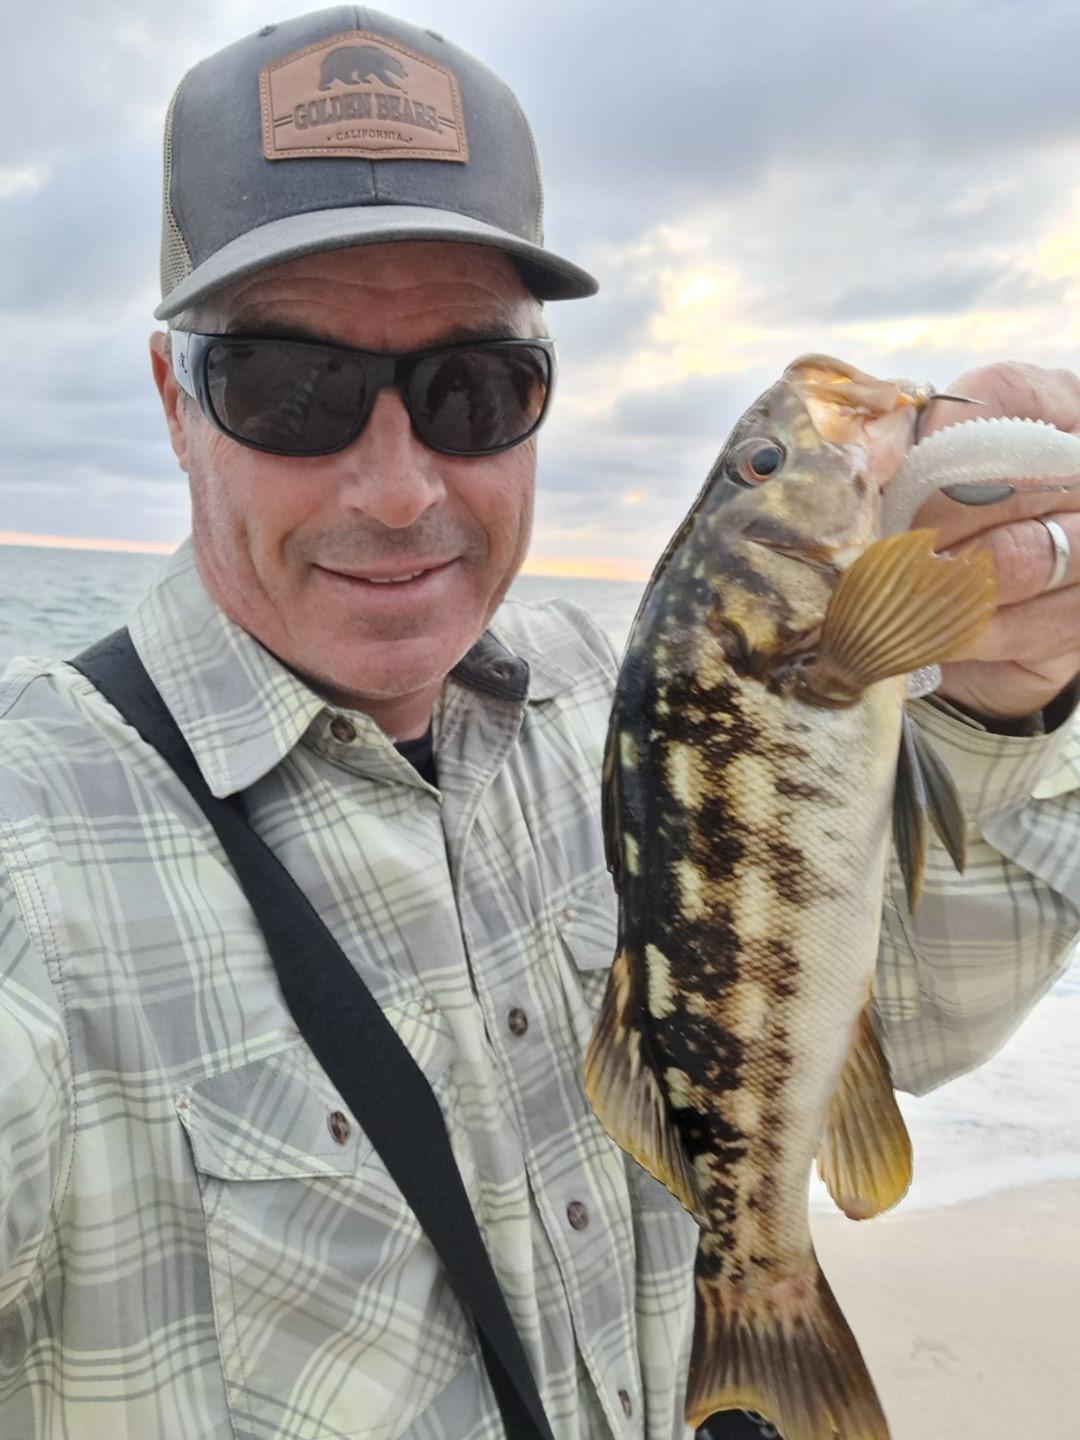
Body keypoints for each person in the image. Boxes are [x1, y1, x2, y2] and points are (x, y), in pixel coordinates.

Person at [1, 8, 1078, 1439]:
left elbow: (903, 1011)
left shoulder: (610, 698)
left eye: (473, 388)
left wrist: (1008, 698)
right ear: (175, 401)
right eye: (290, 389)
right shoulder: (32, 858)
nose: (398, 488)